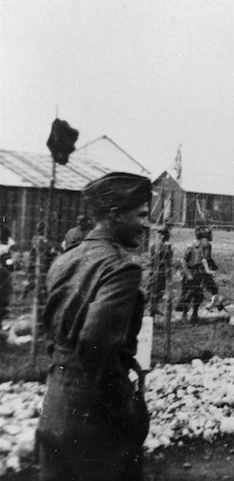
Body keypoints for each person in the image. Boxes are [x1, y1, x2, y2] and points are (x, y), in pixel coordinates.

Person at [37, 172, 151, 481]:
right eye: (141, 214)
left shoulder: (64, 261)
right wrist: (125, 409)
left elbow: (51, 333)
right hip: (97, 417)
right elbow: (96, 346)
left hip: (55, 406)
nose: (146, 222)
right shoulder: (121, 268)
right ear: (115, 216)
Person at [177, 226, 219, 323]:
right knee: (197, 293)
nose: (212, 236)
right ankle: (193, 315)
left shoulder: (197, 245)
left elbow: (203, 258)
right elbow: (206, 258)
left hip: (196, 271)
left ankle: (187, 315)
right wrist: (211, 268)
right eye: (210, 234)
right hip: (196, 272)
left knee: (189, 293)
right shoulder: (206, 244)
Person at [147, 225, 174, 316]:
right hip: (159, 271)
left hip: (155, 270)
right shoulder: (162, 247)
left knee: (159, 290)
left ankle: (154, 307)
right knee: (155, 290)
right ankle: (152, 309)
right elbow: (167, 259)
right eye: (166, 234)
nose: (168, 236)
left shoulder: (155, 245)